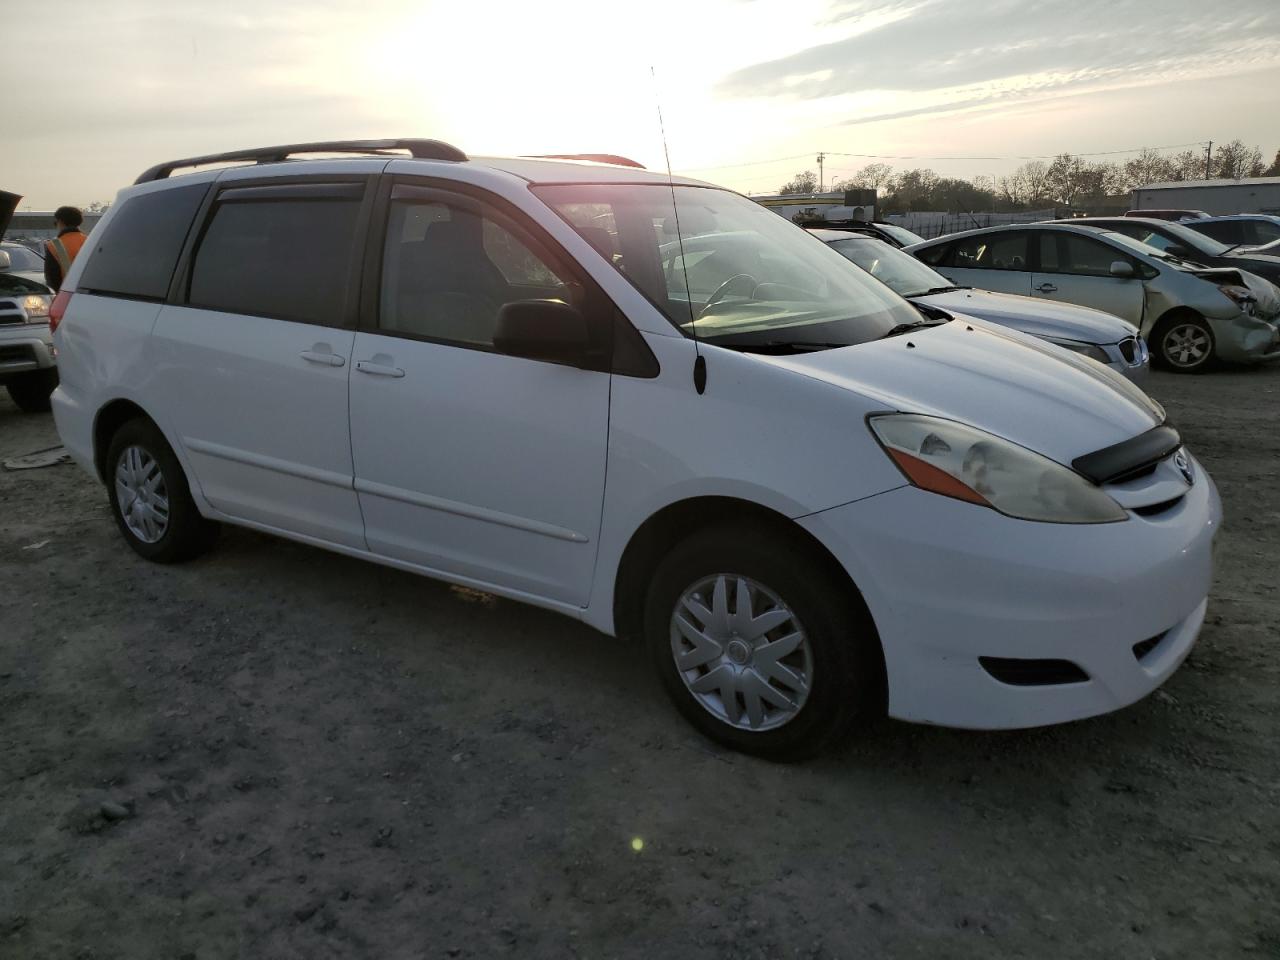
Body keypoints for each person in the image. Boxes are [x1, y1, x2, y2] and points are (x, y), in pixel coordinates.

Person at [44, 206, 88, 292]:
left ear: (60, 222)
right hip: (90, 294)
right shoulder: (90, 241)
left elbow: (52, 278)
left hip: (67, 294)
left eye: (55, 222)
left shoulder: (54, 245)